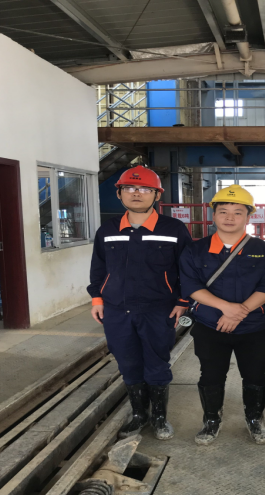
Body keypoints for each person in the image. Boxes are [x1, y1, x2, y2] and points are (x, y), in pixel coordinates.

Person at [88, 166, 192, 440]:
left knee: (157, 363)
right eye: (130, 188)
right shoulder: (108, 230)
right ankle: (138, 415)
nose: (137, 193)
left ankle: (159, 417)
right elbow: (98, 267)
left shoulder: (173, 229)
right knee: (127, 362)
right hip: (117, 310)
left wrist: (183, 300)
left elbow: (188, 269)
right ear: (119, 193)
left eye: (145, 189)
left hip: (158, 309)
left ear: (157, 195)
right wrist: (97, 298)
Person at [179, 185, 265, 446]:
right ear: (213, 215)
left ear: (249, 216)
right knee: (210, 375)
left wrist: (238, 314)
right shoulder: (195, 250)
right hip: (209, 326)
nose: (230, 217)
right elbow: (190, 285)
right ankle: (211, 419)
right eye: (223, 211)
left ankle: (255, 419)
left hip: (253, 327)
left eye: (238, 212)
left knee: (255, 375)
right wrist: (226, 308)